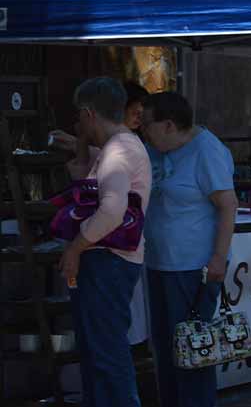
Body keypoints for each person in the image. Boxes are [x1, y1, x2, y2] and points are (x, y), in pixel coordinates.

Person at [59, 77, 152, 407]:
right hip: (105, 261)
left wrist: (75, 248)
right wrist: (81, 146)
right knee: (99, 352)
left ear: (88, 113)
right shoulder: (118, 147)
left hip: (107, 262)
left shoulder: (119, 150)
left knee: (106, 354)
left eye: (79, 115)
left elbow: (111, 209)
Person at [140, 92, 236, 407]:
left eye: (147, 126)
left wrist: (219, 257)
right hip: (159, 263)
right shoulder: (158, 149)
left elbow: (227, 205)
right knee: (166, 350)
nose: (143, 132)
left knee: (192, 354)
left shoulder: (206, 150)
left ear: (168, 125)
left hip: (193, 268)